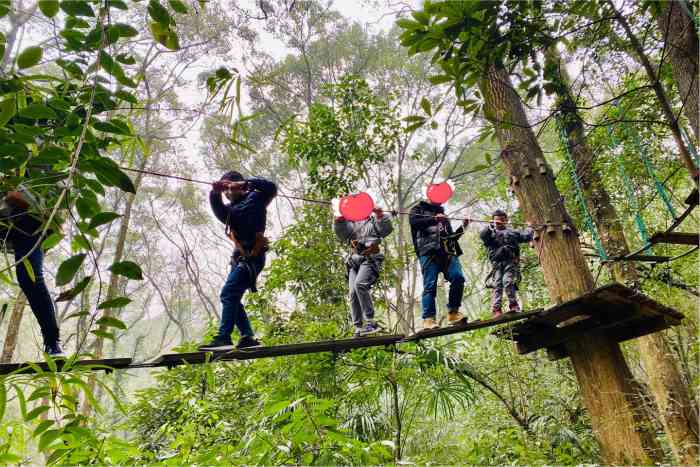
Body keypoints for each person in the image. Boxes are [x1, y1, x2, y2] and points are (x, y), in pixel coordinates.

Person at [199, 171, 277, 350]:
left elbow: (272, 188)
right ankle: (247, 336)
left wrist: (243, 183)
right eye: (225, 191)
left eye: (229, 188)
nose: (228, 193)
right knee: (231, 296)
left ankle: (224, 337)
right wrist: (215, 191)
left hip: (253, 257)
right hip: (240, 259)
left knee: (228, 293)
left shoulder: (256, 198)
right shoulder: (229, 212)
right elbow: (217, 207)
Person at [0, 186, 63, 356]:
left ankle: (52, 342)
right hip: (6, 219)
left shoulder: (49, 166)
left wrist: (15, 196)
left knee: (30, 278)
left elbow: (53, 204)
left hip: (32, 223)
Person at [409, 199, 469, 330]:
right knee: (430, 285)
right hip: (428, 252)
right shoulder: (418, 209)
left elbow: (451, 237)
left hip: (447, 252)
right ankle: (428, 319)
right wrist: (434, 219)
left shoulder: (443, 215)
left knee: (458, 277)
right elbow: (414, 223)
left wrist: (463, 227)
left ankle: (453, 313)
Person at [334, 207, 393, 337]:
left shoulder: (372, 222)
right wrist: (339, 221)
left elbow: (386, 229)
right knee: (353, 292)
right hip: (354, 261)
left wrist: (379, 215)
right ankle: (358, 327)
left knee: (360, 285)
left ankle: (371, 321)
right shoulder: (351, 223)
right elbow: (342, 234)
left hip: (370, 258)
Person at [479, 209, 533, 317]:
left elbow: (526, 236)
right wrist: (491, 226)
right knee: (497, 285)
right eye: (497, 220)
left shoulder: (512, 232)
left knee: (507, 282)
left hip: (510, 262)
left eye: (502, 220)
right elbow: (483, 236)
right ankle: (496, 310)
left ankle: (513, 305)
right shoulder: (490, 234)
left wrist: (530, 228)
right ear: (493, 221)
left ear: (506, 220)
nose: (499, 222)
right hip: (497, 265)